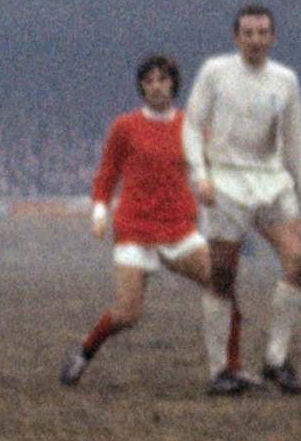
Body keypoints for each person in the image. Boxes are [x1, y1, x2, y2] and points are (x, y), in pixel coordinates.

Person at [62, 55, 225, 387]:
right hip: (135, 229)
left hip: (178, 228)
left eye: (162, 80)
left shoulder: (191, 127)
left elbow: (207, 169)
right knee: (128, 314)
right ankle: (85, 350)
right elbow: (107, 173)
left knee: (221, 284)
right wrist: (99, 213)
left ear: (173, 84)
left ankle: (226, 369)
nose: (155, 86)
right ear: (141, 87)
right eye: (149, 81)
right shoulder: (125, 127)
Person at [183, 5, 301, 393]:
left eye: (263, 33)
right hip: (226, 182)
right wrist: (200, 175)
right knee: (223, 275)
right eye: (248, 33)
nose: (256, 40)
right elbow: (192, 126)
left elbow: (294, 142)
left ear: (273, 38)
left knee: (298, 260)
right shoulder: (215, 72)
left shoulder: (285, 80)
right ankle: (219, 371)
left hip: (271, 181)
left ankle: (276, 359)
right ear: (236, 38)